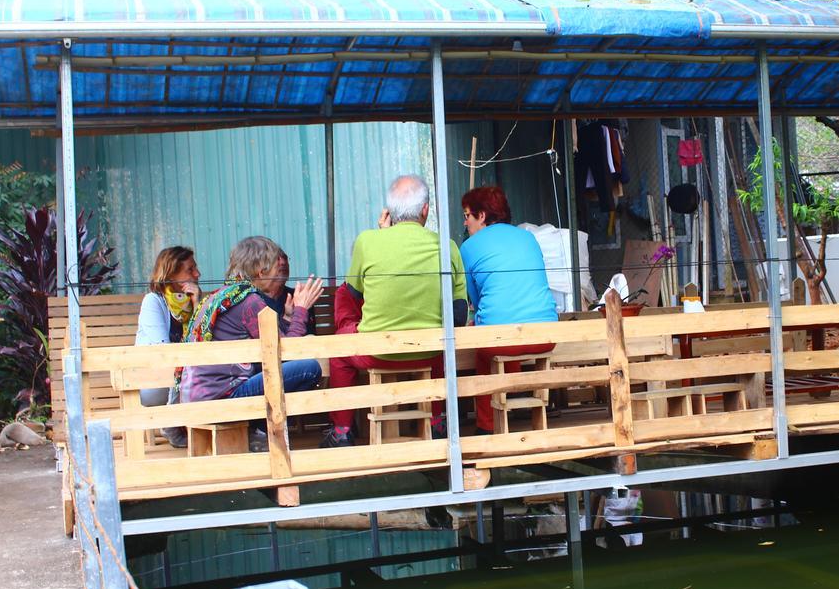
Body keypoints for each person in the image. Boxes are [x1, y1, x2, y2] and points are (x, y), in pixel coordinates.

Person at [326, 175, 467, 447]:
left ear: (389, 211)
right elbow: (459, 314)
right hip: (430, 351)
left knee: (340, 341)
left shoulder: (368, 242)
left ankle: (342, 430)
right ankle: (438, 422)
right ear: (426, 209)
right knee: (442, 337)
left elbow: (353, 294)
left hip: (377, 353)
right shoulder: (447, 247)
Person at [181, 236, 325, 453]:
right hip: (222, 399)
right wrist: (302, 309)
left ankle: (258, 432)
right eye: (276, 267)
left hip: (201, 398)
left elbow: (270, 344)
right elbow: (287, 353)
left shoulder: (224, 295)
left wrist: (287, 318)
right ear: (261, 271)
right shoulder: (249, 301)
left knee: (272, 368)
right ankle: (258, 431)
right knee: (310, 368)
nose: (280, 276)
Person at [459, 185, 558, 435]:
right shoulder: (527, 236)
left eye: (467, 215)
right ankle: (515, 408)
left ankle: (486, 426)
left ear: (481, 216)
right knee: (505, 334)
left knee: (485, 351)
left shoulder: (469, 247)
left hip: (503, 340)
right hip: (546, 336)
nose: (465, 223)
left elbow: (475, 300)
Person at [135, 246, 201, 448]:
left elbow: (203, 343)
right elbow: (162, 352)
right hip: (154, 383)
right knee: (189, 365)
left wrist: (198, 306)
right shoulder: (153, 302)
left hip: (183, 379)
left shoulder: (192, 302)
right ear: (171, 274)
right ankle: (171, 423)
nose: (197, 274)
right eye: (190, 269)